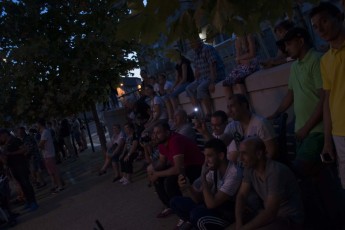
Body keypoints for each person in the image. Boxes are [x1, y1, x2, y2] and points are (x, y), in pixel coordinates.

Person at [170, 139, 242, 230]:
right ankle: (194, 224)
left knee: (198, 216)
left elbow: (211, 204)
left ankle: (197, 224)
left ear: (221, 156)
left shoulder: (234, 173)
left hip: (226, 215)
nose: (206, 161)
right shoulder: (214, 168)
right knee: (175, 202)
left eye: (209, 156)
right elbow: (198, 198)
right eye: (205, 156)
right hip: (213, 208)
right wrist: (187, 186)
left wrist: (203, 176)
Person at [310, 2, 345, 190]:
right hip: (340, 134)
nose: (320, 29)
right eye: (315, 26)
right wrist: (327, 141)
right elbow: (327, 101)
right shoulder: (325, 60)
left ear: (338, 17)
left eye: (324, 21)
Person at [235, 137, 304, 230]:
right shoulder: (249, 168)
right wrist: (239, 224)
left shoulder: (275, 172)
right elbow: (241, 195)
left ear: (259, 154)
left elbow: (271, 212)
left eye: (244, 154)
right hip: (270, 216)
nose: (240, 158)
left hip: (288, 219)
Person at [147, 122, 204, 218]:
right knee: (158, 179)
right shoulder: (161, 142)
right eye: (154, 133)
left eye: (158, 133)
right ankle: (170, 206)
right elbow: (162, 162)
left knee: (170, 181)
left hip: (197, 167)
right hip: (184, 166)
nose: (155, 136)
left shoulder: (175, 141)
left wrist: (157, 174)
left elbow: (178, 169)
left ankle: (183, 214)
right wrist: (152, 170)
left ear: (167, 133)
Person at [225, 94, 277, 160]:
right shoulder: (232, 126)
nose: (229, 111)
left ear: (244, 105)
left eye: (232, 106)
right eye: (228, 107)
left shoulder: (260, 123)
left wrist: (256, 168)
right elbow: (219, 144)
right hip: (243, 167)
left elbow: (271, 152)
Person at [186, 39, 225, 119]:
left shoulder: (207, 49)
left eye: (192, 43)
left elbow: (213, 65)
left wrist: (213, 81)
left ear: (198, 41)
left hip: (214, 75)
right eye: (190, 44)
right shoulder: (195, 53)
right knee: (189, 88)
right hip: (203, 77)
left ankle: (209, 113)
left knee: (201, 89)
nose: (191, 46)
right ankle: (197, 111)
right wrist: (196, 79)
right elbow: (197, 69)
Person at [0, 128, 38, 211]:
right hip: (13, 167)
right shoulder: (6, 144)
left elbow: (24, 149)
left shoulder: (15, 140)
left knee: (26, 184)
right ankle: (28, 201)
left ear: (5, 134)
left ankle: (33, 202)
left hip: (20, 165)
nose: (0, 138)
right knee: (22, 185)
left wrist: (11, 153)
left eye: (0, 136)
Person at [223, 34, 259, 99]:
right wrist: (241, 59)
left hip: (252, 63)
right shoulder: (237, 41)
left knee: (238, 79)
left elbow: (252, 54)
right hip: (243, 64)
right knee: (226, 82)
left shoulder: (249, 36)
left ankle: (244, 104)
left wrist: (240, 58)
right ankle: (231, 104)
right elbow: (237, 60)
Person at [37, 119, 64, 193]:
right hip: (47, 155)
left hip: (49, 155)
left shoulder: (45, 132)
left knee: (54, 172)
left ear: (40, 124)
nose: (37, 126)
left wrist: (39, 145)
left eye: (37, 125)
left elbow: (41, 144)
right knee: (51, 172)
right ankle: (56, 185)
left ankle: (60, 186)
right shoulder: (44, 132)